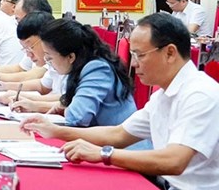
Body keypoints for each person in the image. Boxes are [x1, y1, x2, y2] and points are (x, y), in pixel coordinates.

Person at [21, 13, 219, 189]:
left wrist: (104, 154)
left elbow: (174, 160)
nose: (133, 63)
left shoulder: (200, 94)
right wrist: (55, 131)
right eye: (132, 54)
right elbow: (119, 133)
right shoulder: (161, 96)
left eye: (139, 55)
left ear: (170, 53)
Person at [34, 18, 136, 127]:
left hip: (121, 143)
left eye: (49, 58)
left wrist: (67, 109)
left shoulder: (97, 69)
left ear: (70, 57)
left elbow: (77, 118)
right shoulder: (81, 66)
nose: (48, 62)